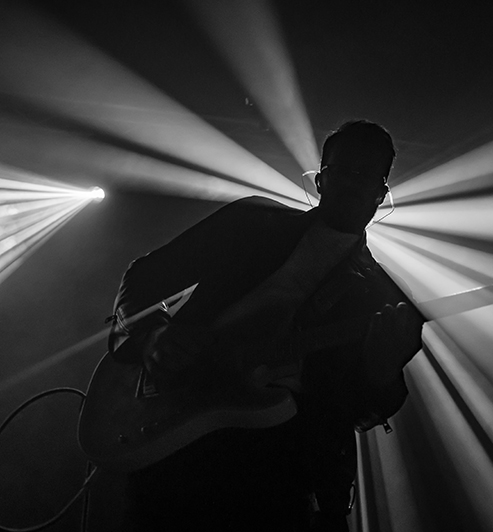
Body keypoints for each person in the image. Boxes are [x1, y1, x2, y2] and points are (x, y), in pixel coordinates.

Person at [111, 120, 424, 531]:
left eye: (366, 175)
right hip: (175, 449)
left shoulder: (381, 295)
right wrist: (153, 335)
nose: (353, 183)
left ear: (381, 194)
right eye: (343, 170)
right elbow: (145, 276)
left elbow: (362, 407)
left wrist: (382, 374)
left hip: (280, 474)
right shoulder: (251, 222)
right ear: (320, 179)